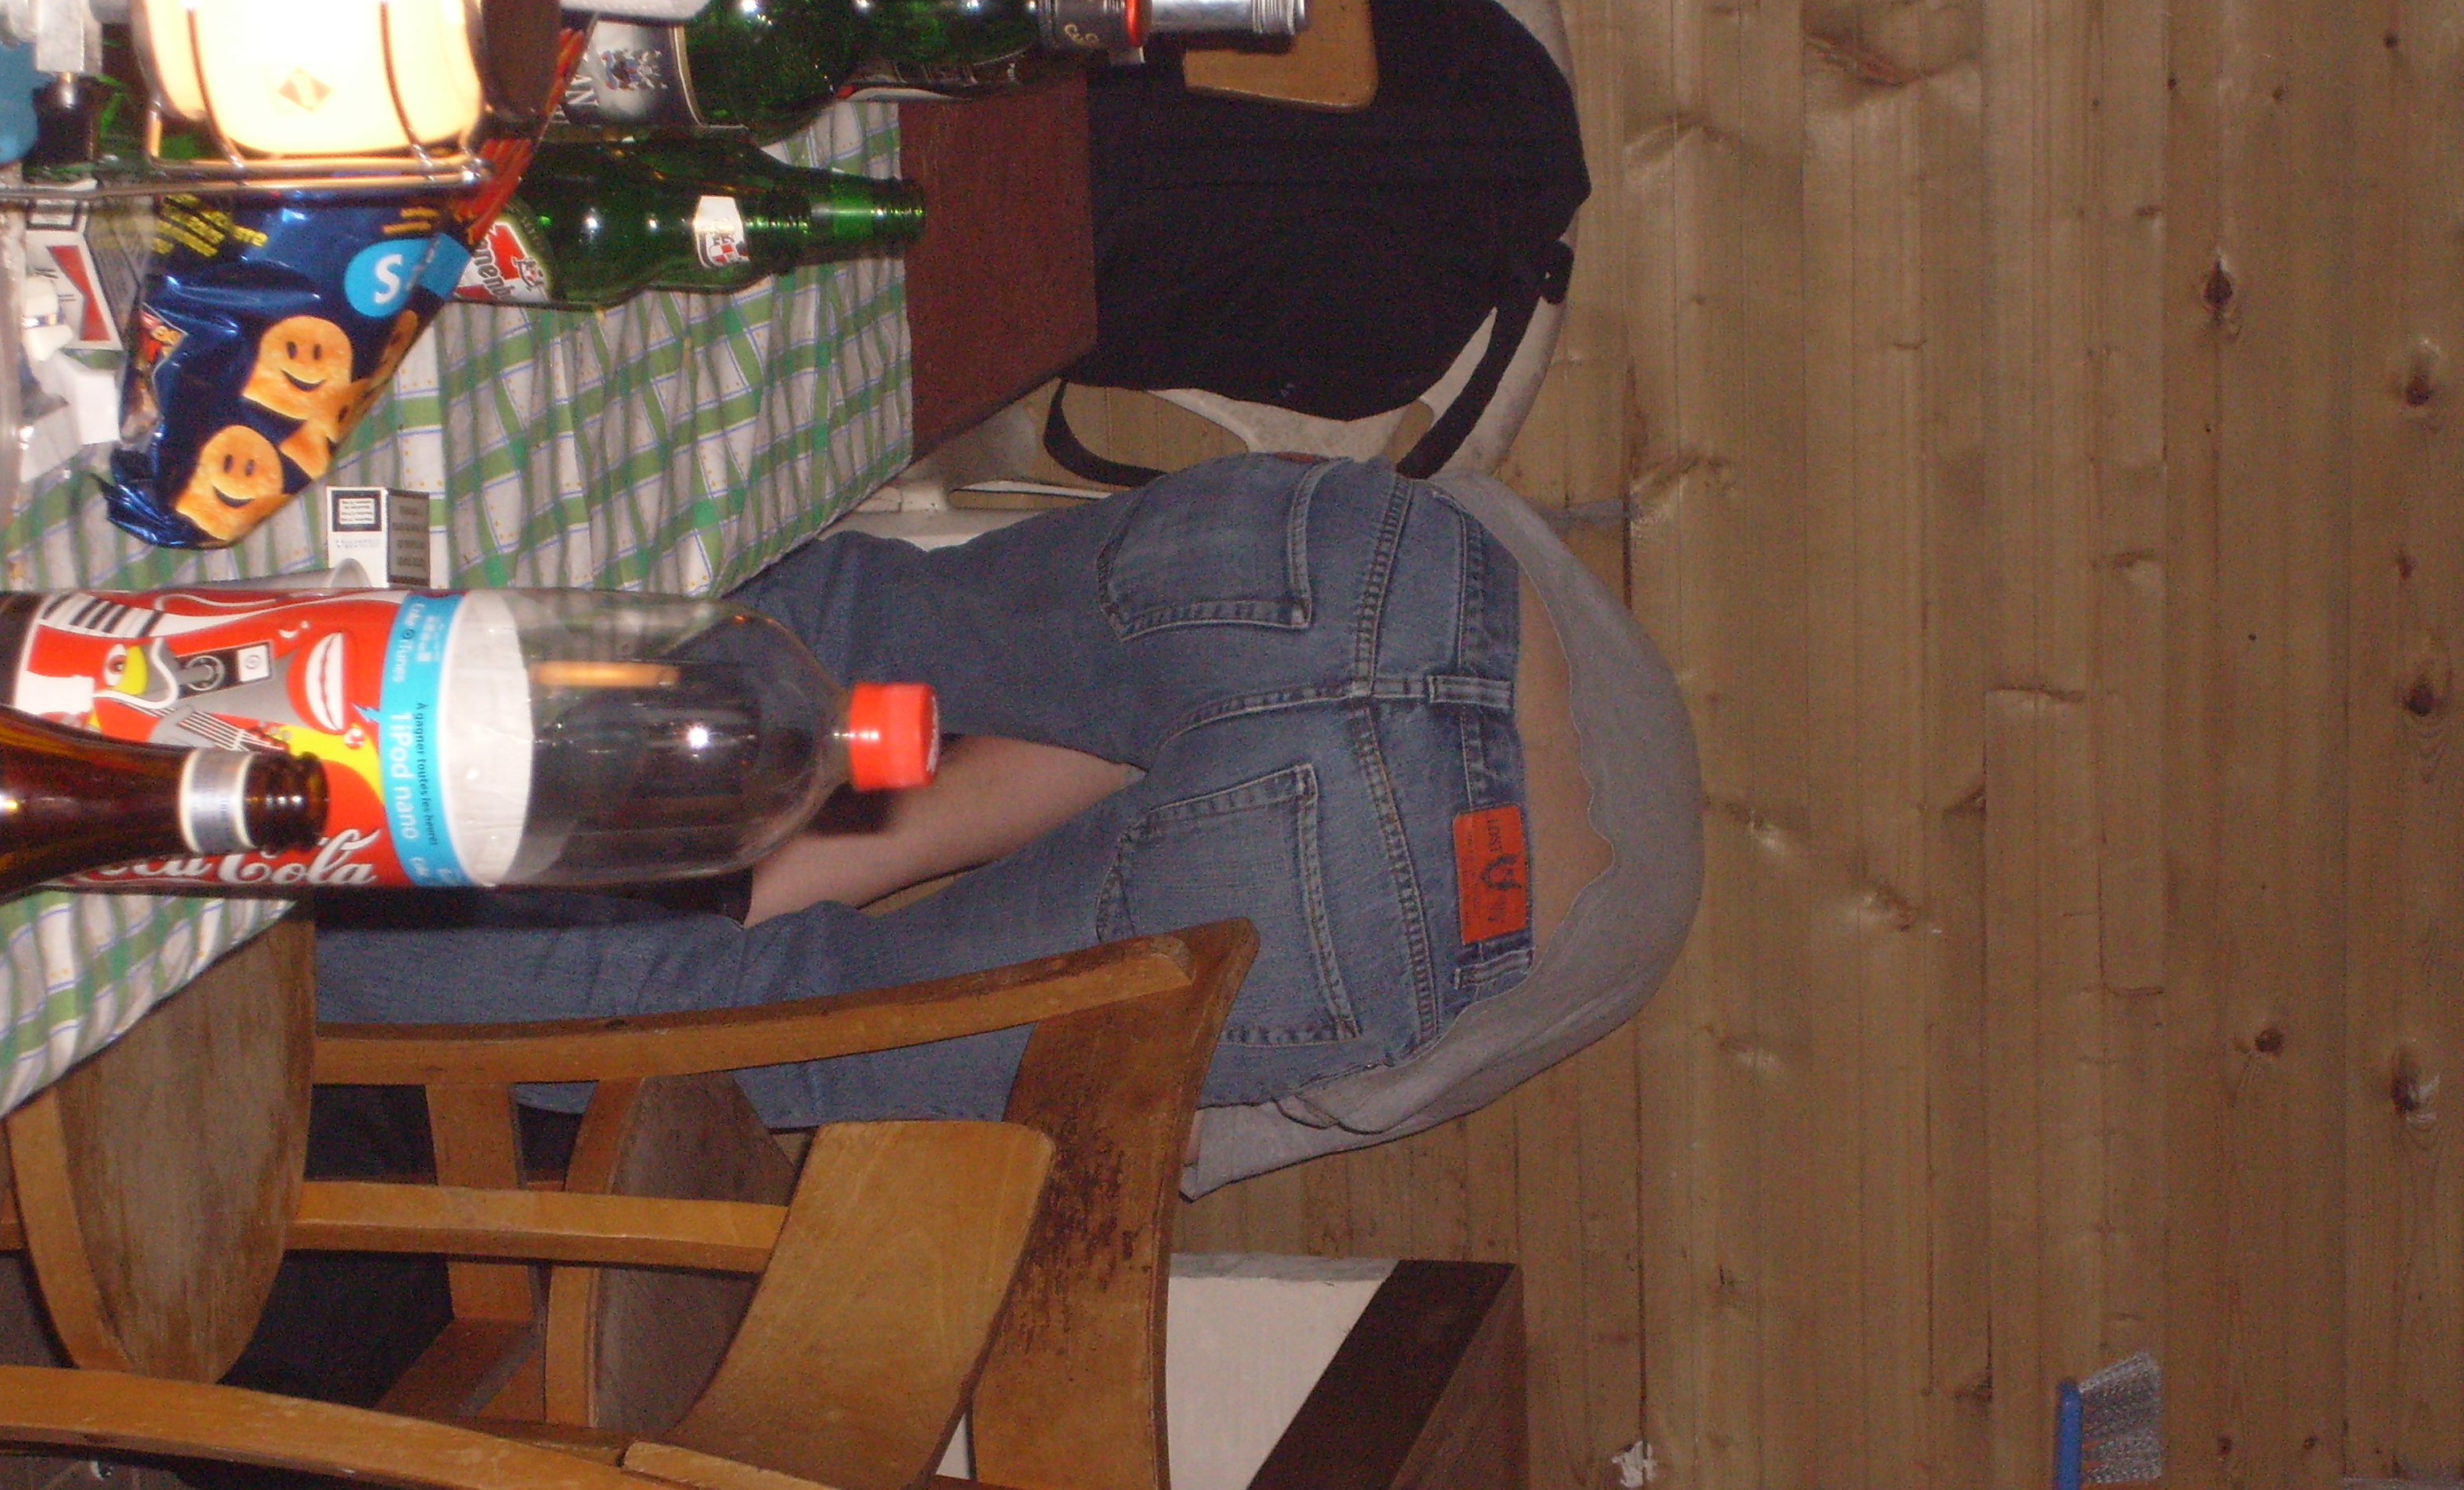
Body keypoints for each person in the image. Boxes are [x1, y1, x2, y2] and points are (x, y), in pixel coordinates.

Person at [313, 453, 1702, 1193]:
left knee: (834, 634)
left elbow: (1109, 741)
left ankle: (322, 670)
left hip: (1414, 569)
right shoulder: (1563, 979)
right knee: (751, 1031)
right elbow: (1167, 1132)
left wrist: (816, 865)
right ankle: (270, 927)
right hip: (1458, 902)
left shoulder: (1631, 740)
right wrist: (791, 944)